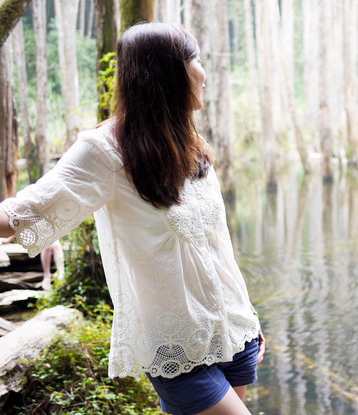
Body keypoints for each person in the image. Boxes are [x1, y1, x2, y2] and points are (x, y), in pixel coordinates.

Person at [0, 22, 265, 415]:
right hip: (177, 346)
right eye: (194, 58)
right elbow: (23, 213)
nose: (204, 70)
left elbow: (216, 244)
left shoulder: (186, 140)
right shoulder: (104, 152)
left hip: (233, 330)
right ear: (167, 73)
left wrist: (250, 318)